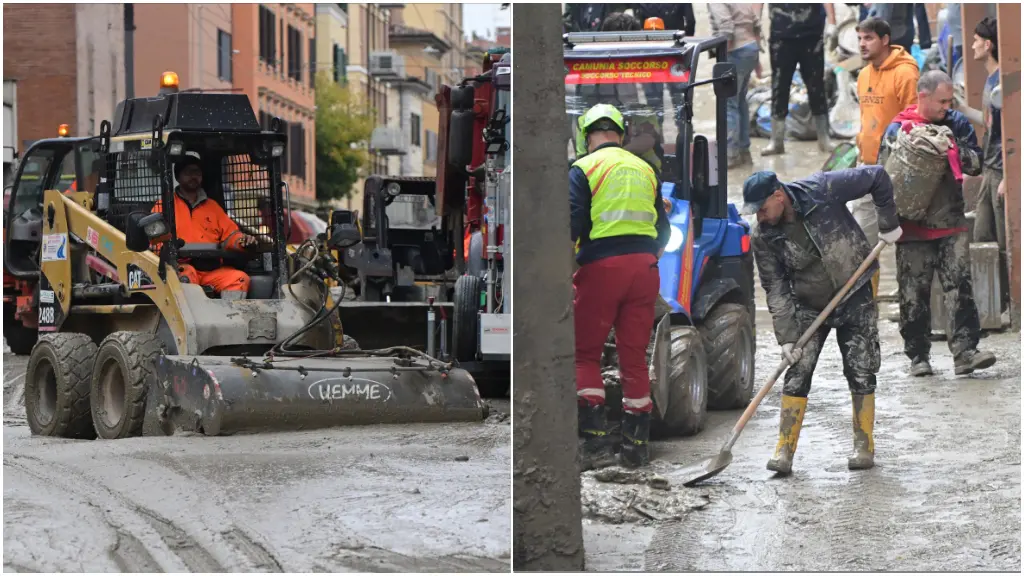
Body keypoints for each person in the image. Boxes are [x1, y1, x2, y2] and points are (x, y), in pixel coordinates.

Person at [744, 168, 902, 475]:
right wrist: (787, 337)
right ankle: (784, 449)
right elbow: (775, 288)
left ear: (779, 196)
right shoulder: (763, 236)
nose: (760, 217)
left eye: (762, 209)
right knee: (797, 372)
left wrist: (889, 222)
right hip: (809, 305)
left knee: (861, 369)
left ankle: (863, 444)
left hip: (854, 292)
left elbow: (877, 176)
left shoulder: (822, 188)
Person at [570, 104, 670, 470]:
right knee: (633, 359)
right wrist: (645, 258)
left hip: (601, 269)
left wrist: (564, 276)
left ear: (585, 136)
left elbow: (571, 225)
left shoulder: (583, 169)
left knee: (584, 356)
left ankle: (596, 447)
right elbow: (664, 230)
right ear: (622, 134)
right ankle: (635, 449)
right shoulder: (646, 168)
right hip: (645, 269)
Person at [878, 70, 996, 377]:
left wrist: (952, 150)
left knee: (960, 287)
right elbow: (882, 176)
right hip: (912, 228)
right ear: (923, 97)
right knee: (913, 293)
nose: (947, 106)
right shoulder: (898, 128)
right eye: (942, 101)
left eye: (949, 100)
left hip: (951, 221)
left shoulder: (956, 123)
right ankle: (918, 356)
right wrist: (887, 222)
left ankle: (965, 352)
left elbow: (975, 164)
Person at [848, 17, 920, 296]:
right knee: (862, 240)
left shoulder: (906, 74)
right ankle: (867, 302)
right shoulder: (864, 74)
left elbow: (915, 121)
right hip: (866, 167)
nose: (863, 45)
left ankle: (911, 300)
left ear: (885, 39)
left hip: (897, 167)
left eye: (868, 38)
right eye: (860, 39)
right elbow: (867, 120)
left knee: (907, 236)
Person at [152, 153, 257, 295]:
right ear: (177, 177)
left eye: (197, 172)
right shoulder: (164, 206)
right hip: (181, 267)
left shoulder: (213, 207)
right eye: (188, 172)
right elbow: (154, 240)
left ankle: (228, 316)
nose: (193, 176)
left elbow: (230, 235)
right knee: (186, 276)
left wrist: (242, 241)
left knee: (239, 279)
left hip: (211, 271)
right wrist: (168, 254)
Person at [957, 17, 1007, 313]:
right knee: (982, 237)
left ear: (987, 45)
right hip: (990, 167)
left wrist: (1011, 178)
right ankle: (992, 307)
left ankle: (1008, 306)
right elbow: (990, 125)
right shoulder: (992, 81)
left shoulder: (1004, 82)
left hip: (1001, 169)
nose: (972, 44)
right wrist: (960, 109)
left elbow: (1016, 131)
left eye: (976, 40)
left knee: (1001, 241)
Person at [760, 3, 837, 156]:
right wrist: (755, 23)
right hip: (781, 35)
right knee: (779, 86)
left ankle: (824, 139)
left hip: (812, 34)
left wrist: (832, 23)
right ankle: (776, 141)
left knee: (816, 86)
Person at [709, 3, 763, 168]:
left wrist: (725, 58)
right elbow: (756, 23)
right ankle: (744, 153)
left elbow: (726, 29)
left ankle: (731, 155)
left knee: (728, 103)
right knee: (740, 102)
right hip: (750, 49)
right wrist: (757, 58)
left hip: (736, 51)